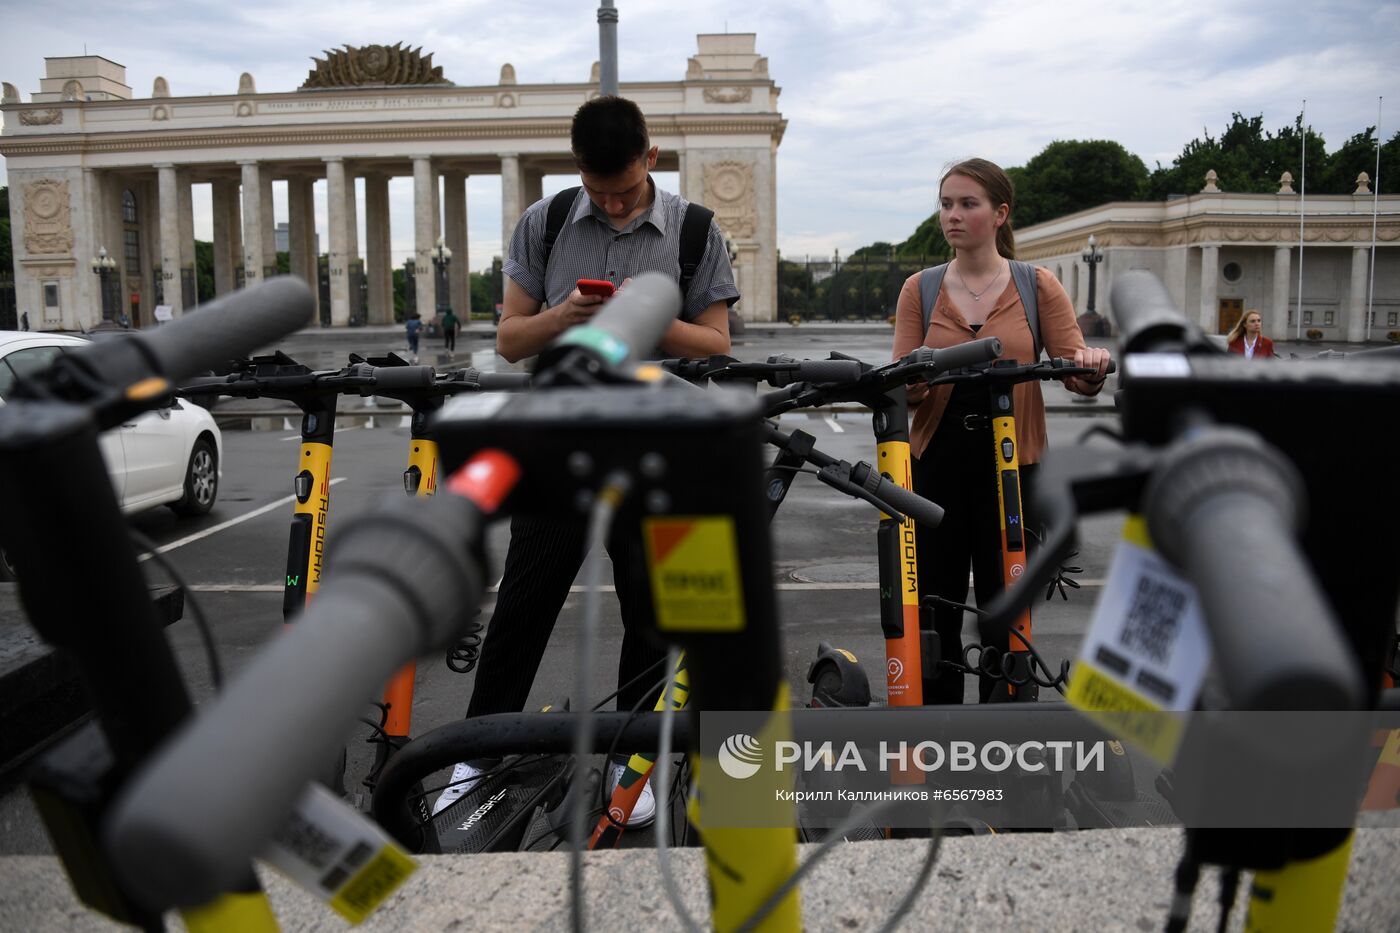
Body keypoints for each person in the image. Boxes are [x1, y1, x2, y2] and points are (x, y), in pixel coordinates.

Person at [434, 96, 738, 824]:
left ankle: (631, 764)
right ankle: (475, 758)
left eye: (625, 189)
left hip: (655, 439)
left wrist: (648, 317)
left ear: (651, 161)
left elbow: (719, 341)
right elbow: (510, 339)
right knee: (524, 603)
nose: (611, 203)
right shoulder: (544, 221)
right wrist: (563, 316)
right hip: (560, 436)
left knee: (649, 609)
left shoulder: (695, 229)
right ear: (577, 170)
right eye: (598, 191)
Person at [891, 158, 1110, 704]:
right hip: (937, 464)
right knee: (936, 605)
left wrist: (1092, 362)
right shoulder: (920, 289)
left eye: (968, 204)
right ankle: (939, 735)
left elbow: (1076, 375)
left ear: (999, 213)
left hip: (1014, 467)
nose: (953, 215)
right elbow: (898, 386)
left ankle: (1004, 735)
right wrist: (915, 376)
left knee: (1005, 603)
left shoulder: (1036, 286)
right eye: (945, 204)